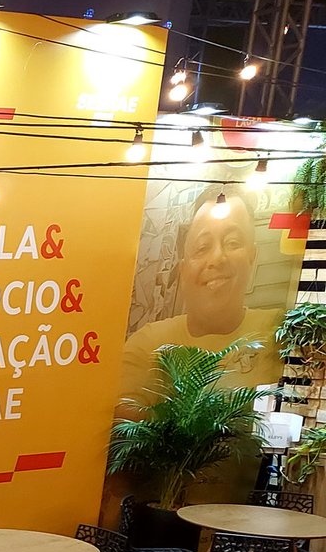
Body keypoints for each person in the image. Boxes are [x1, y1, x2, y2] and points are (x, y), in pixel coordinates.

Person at [116, 183, 282, 506]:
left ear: (252, 257)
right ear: (183, 269)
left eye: (232, 243)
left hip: (244, 526)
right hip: (161, 519)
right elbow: (118, 451)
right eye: (202, 247)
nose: (216, 258)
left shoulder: (281, 332)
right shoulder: (147, 345)